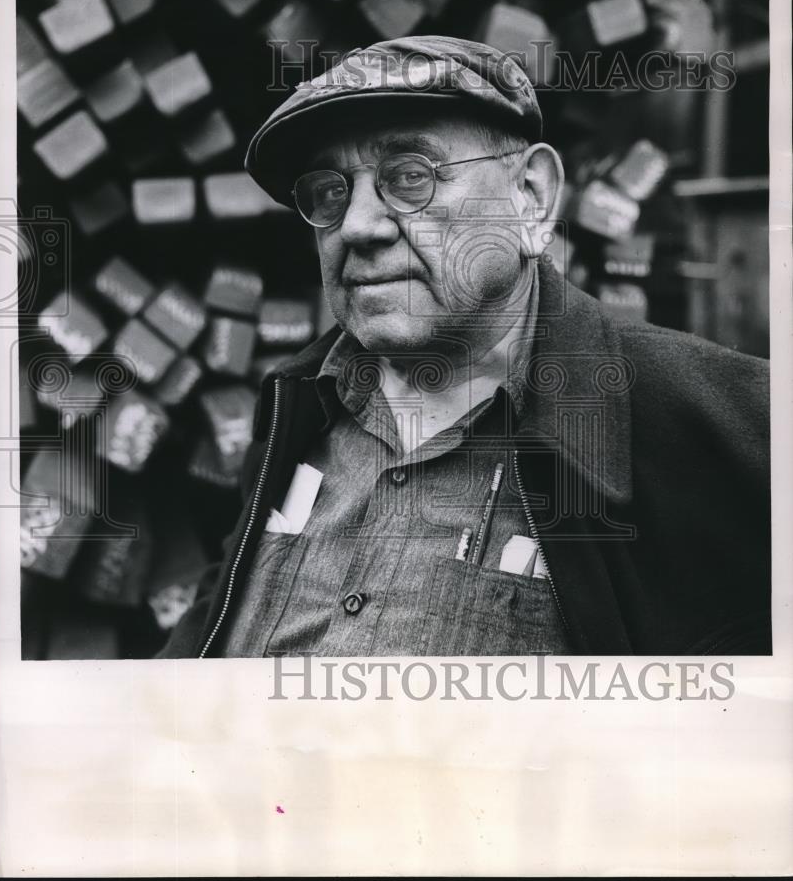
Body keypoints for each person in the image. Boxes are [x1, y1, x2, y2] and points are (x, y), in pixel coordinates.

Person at [158, 36, 771, 658]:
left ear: (531, 196)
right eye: (331, 191)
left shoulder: (728, 429)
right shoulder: (297, 405)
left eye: (410, 176)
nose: (358, 225)